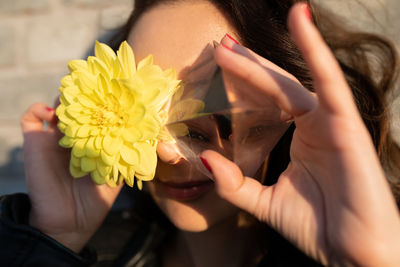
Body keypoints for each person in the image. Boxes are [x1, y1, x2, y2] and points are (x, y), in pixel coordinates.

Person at [1, 0, 400, 266]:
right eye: (145, 107)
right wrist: (55, 240)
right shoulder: (96, 250)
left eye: (215, 109)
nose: (167, 151)